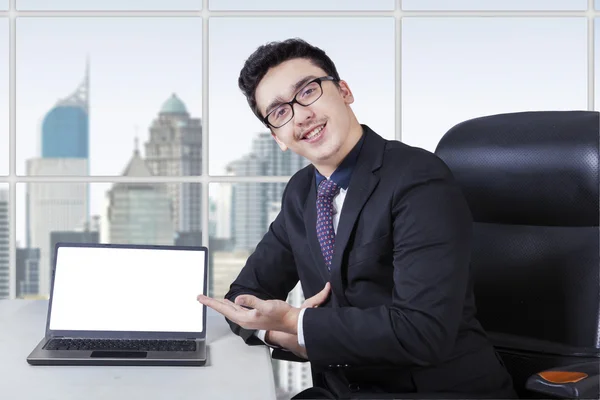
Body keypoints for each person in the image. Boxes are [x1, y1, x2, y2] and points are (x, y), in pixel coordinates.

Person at [196, 38, 517, 399]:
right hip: (341, 391)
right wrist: (277, 332)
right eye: (280, 112)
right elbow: (243, 298)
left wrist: (296, 322)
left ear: (344, 91)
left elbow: (423, 331)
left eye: (307, 91)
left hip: (432, 390)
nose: (301, 115)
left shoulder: (418, 178)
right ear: (278, 137)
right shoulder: (301, 193)